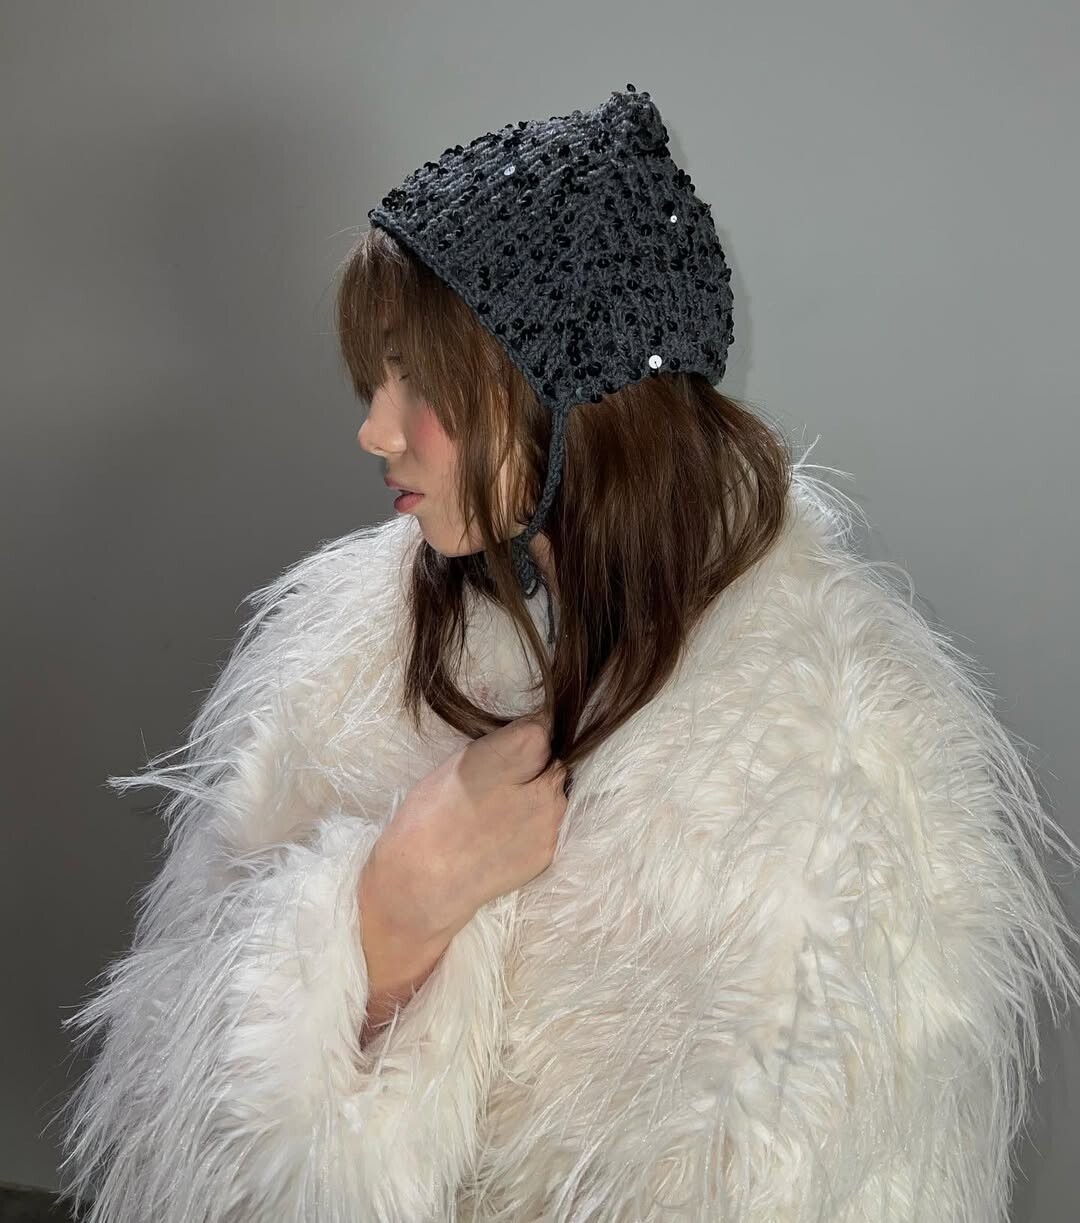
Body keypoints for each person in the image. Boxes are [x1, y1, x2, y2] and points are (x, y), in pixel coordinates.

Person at [52, 85, 1080, 1222]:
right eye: (375, 377)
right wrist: (387, 913)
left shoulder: (839, 763)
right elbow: (180, 1112)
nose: (374, 429)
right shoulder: (350, 649)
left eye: (422, 382)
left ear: (576, 399)